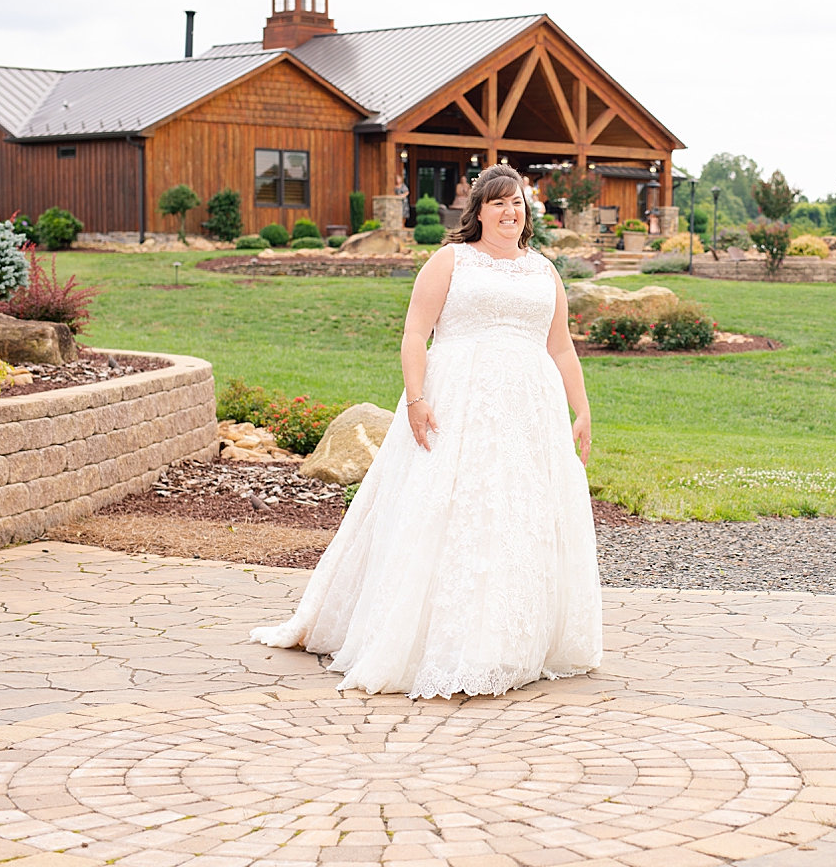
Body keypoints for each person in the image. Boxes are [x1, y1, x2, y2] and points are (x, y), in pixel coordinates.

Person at [252, 164, 601, 698]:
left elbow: (560, 347)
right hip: (457, 401)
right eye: (499, 203)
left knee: (516, 515)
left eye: (518, 203)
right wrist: (416, 398)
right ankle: (434, 638)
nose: (511, 213)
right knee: (450, 510)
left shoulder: (543, 271)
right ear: (479, 210)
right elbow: (416, 332)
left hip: (529, 412)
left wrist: (581, 409)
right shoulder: (450, 260)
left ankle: (509, 640)